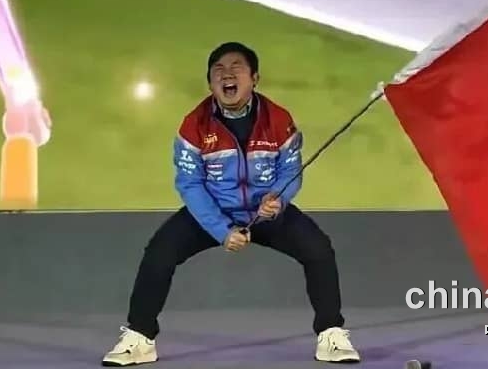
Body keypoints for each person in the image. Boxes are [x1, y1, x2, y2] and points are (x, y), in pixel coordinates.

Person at [101, 42, 361, 367]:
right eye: (218, 70)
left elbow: (290, 170)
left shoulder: (279, 119)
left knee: (318, 249)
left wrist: (278, 198)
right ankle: (139, 338)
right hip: (213, 212)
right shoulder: (193, 125)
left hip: (265, 212)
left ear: (254, 78)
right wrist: (221, 230)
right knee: (159, 252)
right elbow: (190, 184)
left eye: (236, 67)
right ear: (210, 83)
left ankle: (331, 334)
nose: (227, 75)